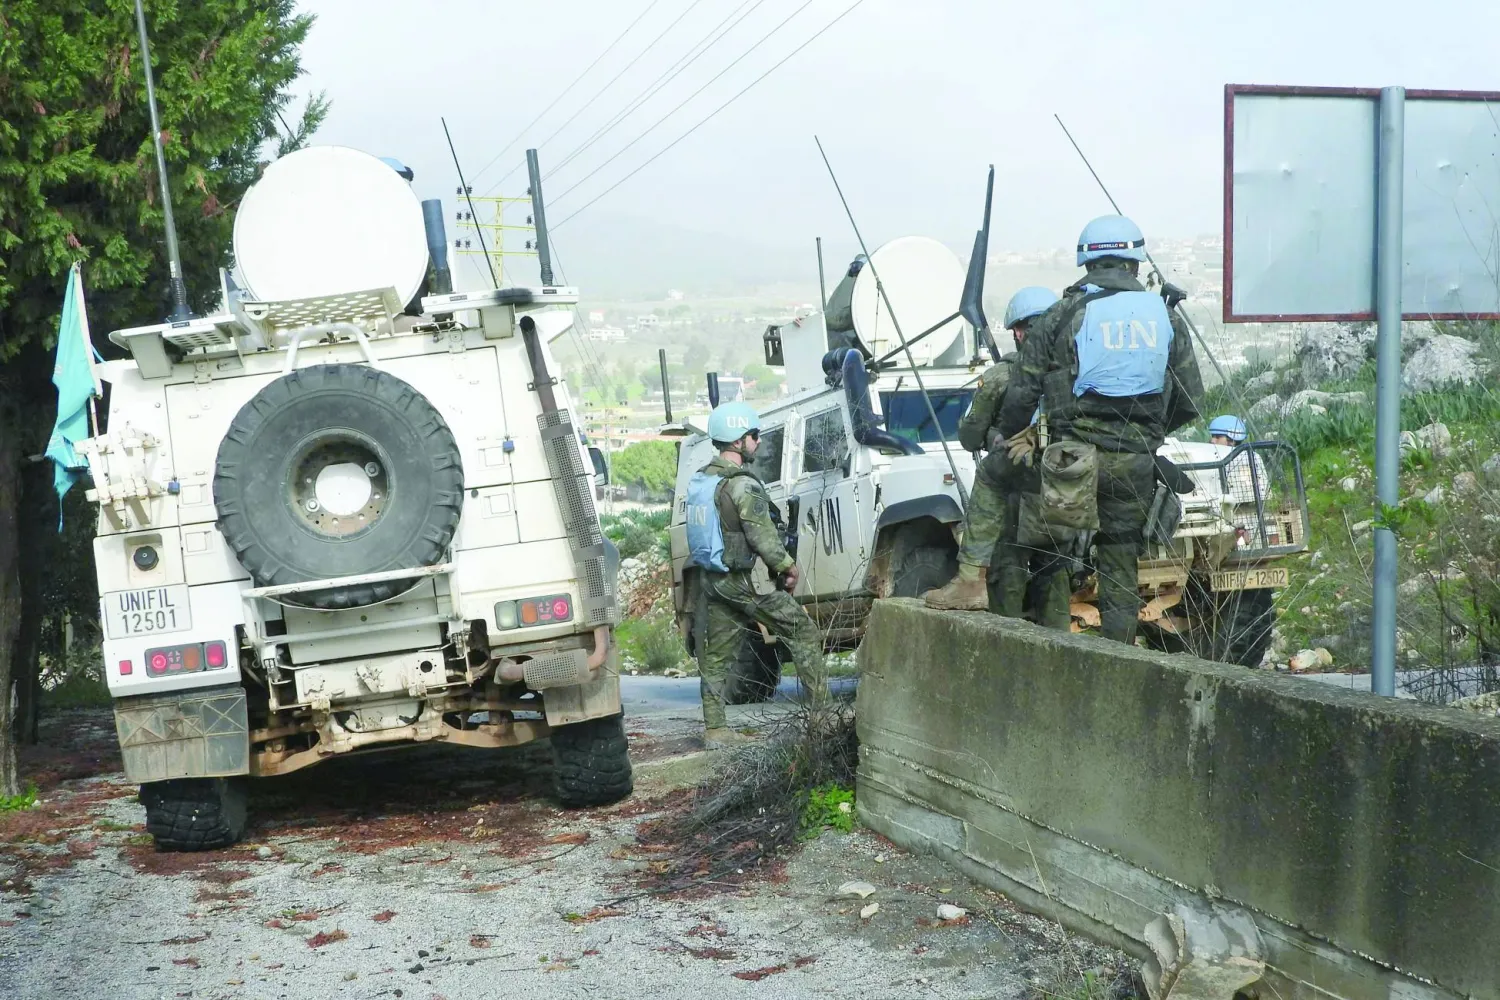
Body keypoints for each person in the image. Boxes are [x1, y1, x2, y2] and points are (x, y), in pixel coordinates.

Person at [997, 215, 1203, 646]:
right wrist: (1149, 437)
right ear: (1133, 262)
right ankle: (1119, 655)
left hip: (1071, 460)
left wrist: (1013, 435)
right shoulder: (1165, 316)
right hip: (1134, 464)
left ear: (1085, 264)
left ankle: (1038, 647)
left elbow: (1022, 391)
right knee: (1120, 562)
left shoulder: (1060, 315)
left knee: (1049, 551)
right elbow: (1189, 400)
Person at [684, 401, 827, 748]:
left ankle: (716, 730)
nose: (758, 441)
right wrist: (787, 567)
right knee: (803, 631)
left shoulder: (703, 477)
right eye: (753, 435)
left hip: (713, 579)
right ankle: (821, 718)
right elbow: (761, 534)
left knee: (717, 656)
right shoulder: (743, 485)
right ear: (737, 441)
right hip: (742, 581)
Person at [924, 286, 1069, 625]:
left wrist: (994, 435)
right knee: (1056, 579)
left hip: (1015, 497)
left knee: (1008, 575)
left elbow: (969, 436)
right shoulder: (1073, 374)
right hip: (1065, 493)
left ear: (1019, 331)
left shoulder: (1001, 376)